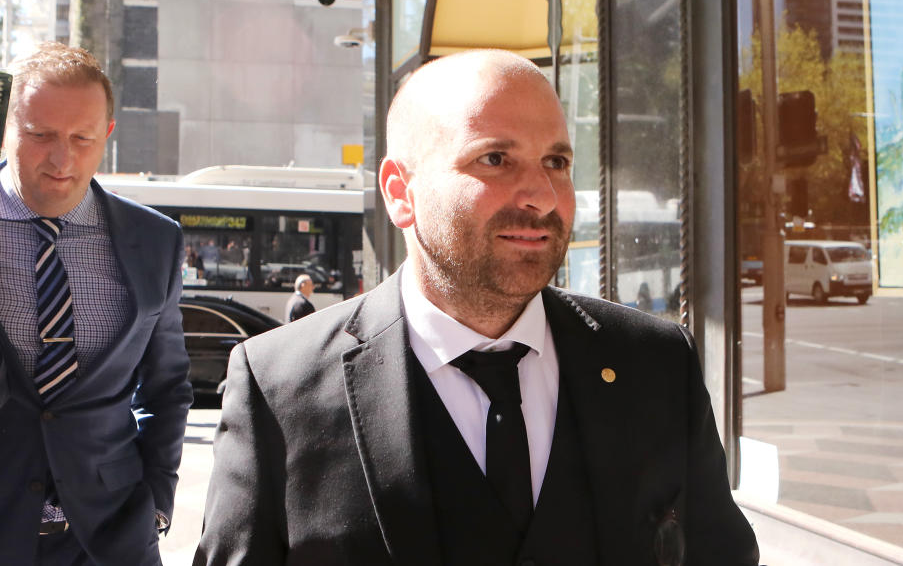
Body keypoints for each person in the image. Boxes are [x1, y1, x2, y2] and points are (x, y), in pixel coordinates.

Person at [194, 50, 758, 565]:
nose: (541, 194)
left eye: (557, 161)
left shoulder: (655, 364)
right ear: (399, 192)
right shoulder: (279, 387)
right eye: (495, 159)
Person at [0, 43, 192, 565]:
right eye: (40, 136)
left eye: (82, 138)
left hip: (112, 538)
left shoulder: (156, 240)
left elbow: (168, 386)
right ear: (8, 127)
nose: (62, 159)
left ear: (106, 135)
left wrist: (156, 503)